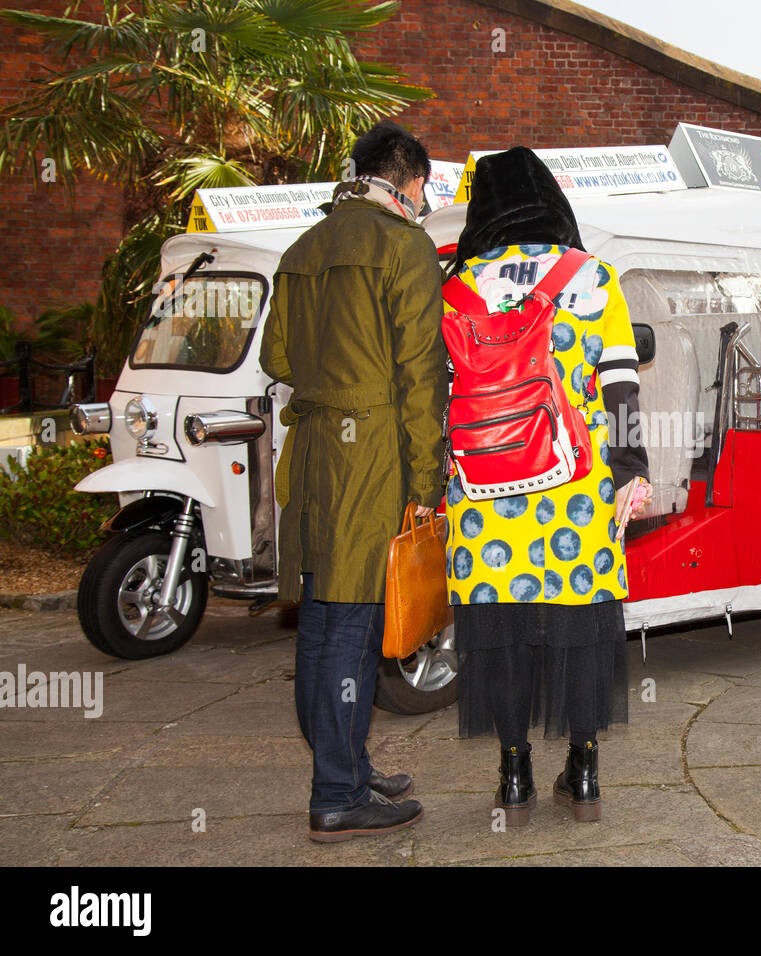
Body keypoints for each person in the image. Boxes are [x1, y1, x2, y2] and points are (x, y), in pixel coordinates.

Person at [444, 146, 650, 824]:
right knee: (581, 623)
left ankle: (513, 776)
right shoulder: (592, 278)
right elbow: (620, 384)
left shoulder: (458, 282)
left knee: (497, 624)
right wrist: (630, 471)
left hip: (483, 491)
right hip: (576, 485)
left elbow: (439, 393)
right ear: (551, 201)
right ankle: (584, 772)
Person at [259, 120, 446, 843]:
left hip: (313, 453)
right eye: (425, 186)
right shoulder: (405, 247)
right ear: (406, 179)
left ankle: (347, 763)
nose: (425, 199)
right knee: (357, 623)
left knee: (323, 620)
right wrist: (426, 477)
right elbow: (421, 377)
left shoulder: (301, 249)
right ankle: (336, 792)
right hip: (372, 454)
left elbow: (278, 358)